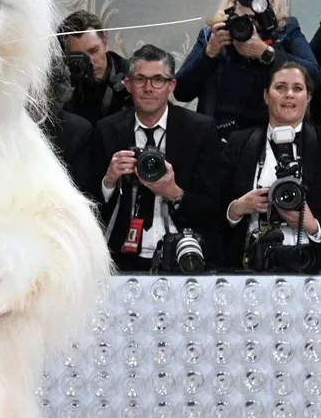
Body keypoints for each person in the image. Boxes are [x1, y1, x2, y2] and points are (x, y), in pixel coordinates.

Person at [81, 44, 229, 271]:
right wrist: (109, 182)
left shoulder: (199, 129)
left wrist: (174, 193)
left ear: (171, 86)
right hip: (123, 256)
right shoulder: (107, 129)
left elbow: (212, 205)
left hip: (184, 253)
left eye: (158, 80)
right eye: (140, 80)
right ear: (128, 85)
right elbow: (89, 205)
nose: (148, 88)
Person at [218, 59, 321, 271]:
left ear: (308, 98)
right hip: (252, 264)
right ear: (266, 96)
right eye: (280, 87)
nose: (289, 94)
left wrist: (314, 226)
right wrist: (238, 209)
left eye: (297, 88)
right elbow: (214, 206)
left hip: (315, 264)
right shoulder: (239, 142)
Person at [174, 0, 321, 129]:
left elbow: (314, 77)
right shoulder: (212, 34)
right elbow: (181, 92)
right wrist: (209, 54)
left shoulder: (286, 31)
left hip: (265, 138)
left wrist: (266, 52)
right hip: (217, 139)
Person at [57, 10, 133, 124]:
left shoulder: (132, 77)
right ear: (65, 57)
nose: (90, 61)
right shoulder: (59, 86)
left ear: (105, 43)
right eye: (79, 57)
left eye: (94, 50)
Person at [38, 53, 94, 194]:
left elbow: (80, 190)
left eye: (40, 84)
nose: (32, 92)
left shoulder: (77, 131)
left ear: (54, 89)